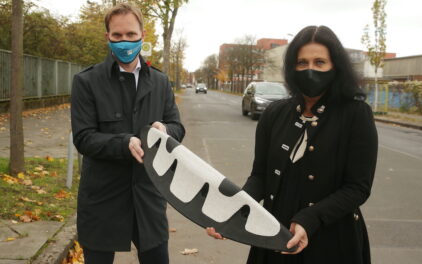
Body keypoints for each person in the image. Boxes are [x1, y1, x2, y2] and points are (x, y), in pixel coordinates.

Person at [207, 25, 378, 264]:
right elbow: (260, 177)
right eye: (302, 62)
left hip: (333, 241)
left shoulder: (356, 114)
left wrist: (310, 219)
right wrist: (233, 210)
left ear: (335, 67)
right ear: (292, 67)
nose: (310, 70)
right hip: (274, 236)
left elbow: (357, 188)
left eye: (319, 62)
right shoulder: (275, 113)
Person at [70, 3, 185, 264]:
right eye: (117, 36)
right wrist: (125, 143)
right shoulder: (86, 82)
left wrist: (166, 130)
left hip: (148, 196)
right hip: (102, 198)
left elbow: (177, 128)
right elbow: (84, 137)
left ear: (143, 35)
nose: (125, 42)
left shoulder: (160, 82)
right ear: (107, 37)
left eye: (131, 35)